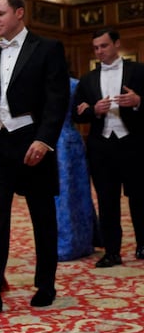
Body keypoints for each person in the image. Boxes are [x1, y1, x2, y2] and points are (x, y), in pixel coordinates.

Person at [0, 0, 69, 313]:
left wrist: (45, 140)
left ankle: (46, 284)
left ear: (19, 13)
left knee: (42, 219)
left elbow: (57, 99)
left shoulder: (47, 48)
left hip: (33, 144)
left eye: (0, 14)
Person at [73, 28, 144, 267]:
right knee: (106, 200)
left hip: (133, 143)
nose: (99, 51)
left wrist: (138, 102)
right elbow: (78, 114)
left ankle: (143, 245)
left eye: (104, 46)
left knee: (139, 197)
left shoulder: (139, 71)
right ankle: (112, 251)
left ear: (116, 44)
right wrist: (94, 110)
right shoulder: (87, 79)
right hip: (101, 146)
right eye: (96, 47)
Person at [54, 76, 98, 261]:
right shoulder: (37, 80)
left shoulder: (74, 84)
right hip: (49, 142)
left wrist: (87, 109)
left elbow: (82, 114)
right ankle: (58, 242)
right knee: (54, 195)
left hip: (68, 143)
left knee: (74, 193)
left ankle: (77, 242)